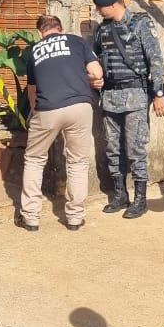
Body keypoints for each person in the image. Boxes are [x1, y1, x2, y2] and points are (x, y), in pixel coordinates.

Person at [17, 15, 104, 232]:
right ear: (61, 29)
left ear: (40, 33)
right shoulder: (76, 41)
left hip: (47, 109)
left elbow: (32, 91)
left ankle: (31, 218)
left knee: (35, 160)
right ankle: (75, 217)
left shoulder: (34, 51)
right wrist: (84, 78)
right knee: (77, 161)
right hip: (80, 106)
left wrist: (36, 114)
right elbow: (96, 72)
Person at [90, 0, 164, 220]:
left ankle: (140, 199)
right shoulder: (102, 31)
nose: (98, 12)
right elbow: (96, 62)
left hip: (135, 95)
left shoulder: (141, 23)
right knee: (113, 149)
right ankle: (120, 195)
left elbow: (155, 60)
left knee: (135, 149)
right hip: (110, 97)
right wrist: (95, 81)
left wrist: (159, 94)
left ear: (113, 4)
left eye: (100, 8)